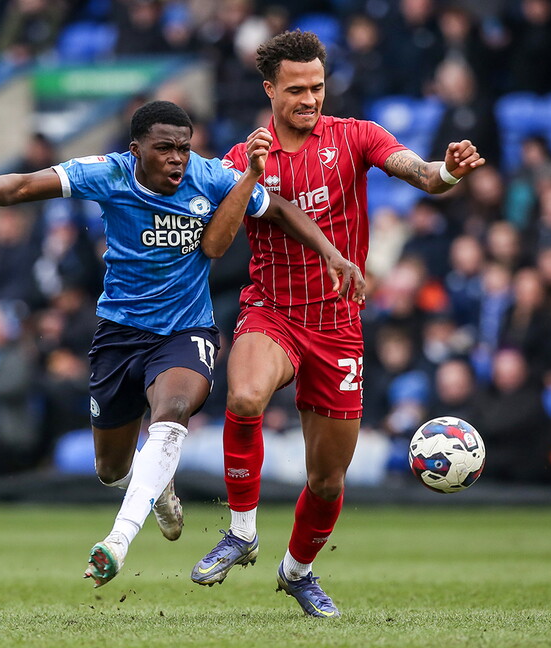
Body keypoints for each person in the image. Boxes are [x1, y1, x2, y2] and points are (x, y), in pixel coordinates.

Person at [0, 100, 363, 588]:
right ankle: (159, 490)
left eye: (183, 147)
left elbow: (280, 209)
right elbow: (30, 184)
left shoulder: (210, 176)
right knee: (110, 468)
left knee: (174, 409)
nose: (177, 158)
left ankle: (115, 542)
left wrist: (331, 252)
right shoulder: (109, 174)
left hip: (185, 331)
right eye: (165, 149)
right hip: (119, 334)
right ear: (136, 149)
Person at [190, 31, 485, 618]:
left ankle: (298, 572)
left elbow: (419, 174)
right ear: (269, 89)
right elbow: (214, 245)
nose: (309, 98)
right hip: (270, 310)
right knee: (245, 396)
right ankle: (242, 531)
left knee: (326, 480)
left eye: (317, 87)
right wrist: (248, 176)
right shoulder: (243, 156)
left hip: (338, 327)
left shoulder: (355, 136)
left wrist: (448, 174)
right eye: (296, 89)